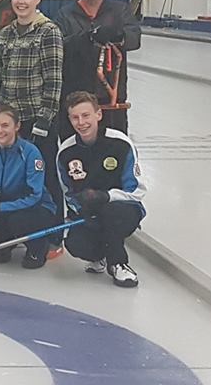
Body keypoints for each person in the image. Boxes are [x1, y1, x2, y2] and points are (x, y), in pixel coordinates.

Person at [0, 0, 64, 249]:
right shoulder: (6, 34)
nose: (21, 2)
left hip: (36, 118)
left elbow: (54, 79)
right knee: (14, 177)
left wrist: (45, 119)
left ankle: (54, 236)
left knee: (45, 178)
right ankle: (18, 231)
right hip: (10, 121)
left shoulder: (48, 31)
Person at [58, 91, 146, 287]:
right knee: (75, 244)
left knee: (112, 213)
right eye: (75, 117)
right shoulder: (66, 151)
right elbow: (68, 192)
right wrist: (81, 208)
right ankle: (100, 255)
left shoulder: (120, 144)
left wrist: (106, 196)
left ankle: (119, 263)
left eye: (86, 115)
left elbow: (137, 190)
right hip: (91, 213)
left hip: (122, 209)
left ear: (98, 114)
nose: (81, 122)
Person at [55, 0, 142, 138]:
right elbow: (59, 45)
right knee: (75, 150)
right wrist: (87, 38)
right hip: (76, 97)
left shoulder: (120, 11)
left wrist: (118, 35)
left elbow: (135, 39)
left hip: (111, 98)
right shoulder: (65, 14)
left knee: (114, 150)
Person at [0, 104, 57, 269]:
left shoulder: (31, 152)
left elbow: (33, 195)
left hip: (36, 206)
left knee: (19, 221)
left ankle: (38, 247)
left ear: (17, 126)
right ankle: (4, 243)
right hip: (6, 201)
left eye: (5, 125)